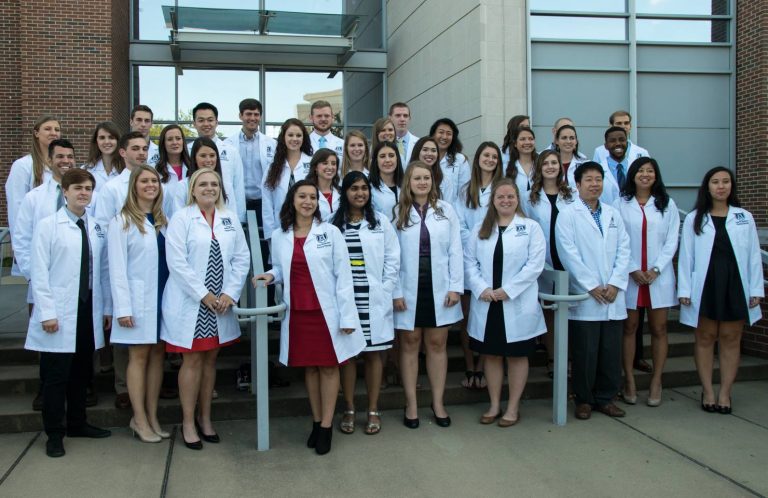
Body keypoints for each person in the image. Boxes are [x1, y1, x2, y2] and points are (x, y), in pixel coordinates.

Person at [253, 180, 364, 455]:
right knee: (310, 369)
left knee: (328, 368)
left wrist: (348, 317)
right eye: (302, 196)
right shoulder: (280, 235)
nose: (307, 202)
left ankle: (326, 426)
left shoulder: (331, 232)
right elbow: (280, 268)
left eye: (312, 197)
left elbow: (344, 276)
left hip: (326, 313)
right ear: (292, 200)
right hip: (299, 312)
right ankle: (316, 421)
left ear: (318, 202)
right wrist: (270, 276)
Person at [26, 168, 112, 457]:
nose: (83, 193)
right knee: (56, 376)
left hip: (88, 308)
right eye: (77, 188)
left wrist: (107, 308)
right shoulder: (48, 226)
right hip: (60, 311)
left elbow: (102, 271)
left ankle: (78, 423)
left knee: (82, 372)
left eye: (88, 188)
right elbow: (39, 272)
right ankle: (54, 433)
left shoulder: (96, 227)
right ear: (65, 191)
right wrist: (47, 312)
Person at [162, 169, 250, 449]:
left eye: (214, 184)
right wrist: (204, 295)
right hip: (192, 302)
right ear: (192, 189)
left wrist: (230, 293)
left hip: (220, 304)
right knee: (192, 361)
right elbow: (176, 262)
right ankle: (188, 422)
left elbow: (242, 258)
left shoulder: (229, 218)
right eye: (203, 184)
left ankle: (205, 418)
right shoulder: (181, 218)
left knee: (211, 360)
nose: (209, 188)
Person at [678, 167, 763, 414]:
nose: (721, 186)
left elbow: (754, 256)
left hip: (735, 283)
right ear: (707, 187)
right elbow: (686, 257)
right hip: (705, 283)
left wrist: (756, 289)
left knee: (730, 338)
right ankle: (708, 391)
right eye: (715, 182)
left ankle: (725, 392)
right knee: (705, 337)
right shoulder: (695, 218)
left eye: (726, 181)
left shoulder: (744, 217)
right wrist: (684, 289)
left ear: (731, 187)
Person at [464, 178, 546, 426]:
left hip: (516, 302)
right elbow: (469, 262)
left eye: (510, 196)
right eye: (500, 197)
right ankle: (494, 404)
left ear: (517, 199)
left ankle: (512, 407)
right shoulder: (480, 228)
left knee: (517, 356)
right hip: (488, 302)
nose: (506, 200)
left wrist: (508, 291)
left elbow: (535, 265)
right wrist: (482, 288)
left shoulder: (530, 228)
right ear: (493, 200)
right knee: (491, 355)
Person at [555, 161, 631, 420]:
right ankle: (584, 400)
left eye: (598, 179)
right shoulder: (568, 214)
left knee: (610, 352)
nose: (594, 184)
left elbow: (624, 249)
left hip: (612, 294)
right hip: (586, 295)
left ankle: (606, 398)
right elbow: (568, 253)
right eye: (588, 180)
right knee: (585, 352)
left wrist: (616, 283)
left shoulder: (612, 214)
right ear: (577, 184)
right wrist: (591, 285)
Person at [393, 162, 463, 428]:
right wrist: (396, 291)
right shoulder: (397, 212)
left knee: (436, 344)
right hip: (409, 288)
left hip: (440, 287)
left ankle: (438, 403)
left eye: (426, 178)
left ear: (433, 181)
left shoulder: (446, 210)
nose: (422, 182)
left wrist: (455, 286)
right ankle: (411, 404)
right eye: (417, 178)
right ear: (408, 182)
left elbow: (456, 250)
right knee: (410, 344)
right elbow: (391, 256)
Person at [332, 172, 400, 435]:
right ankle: (349, 408)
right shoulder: (333, 224)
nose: (360, 193)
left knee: (373, 354)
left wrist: (385, 288)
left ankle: (373, 409)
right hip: (346, 300)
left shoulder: (380, 222)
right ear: (345, 193)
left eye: (364, 188)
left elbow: (393, 258)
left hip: (373, 298)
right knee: (349, 356)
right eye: (354, 188)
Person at [108, 165, 171, 442]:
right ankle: (139, 419)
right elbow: (117, 269)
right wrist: (123, 308)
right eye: (144, 181)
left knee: (158, 355)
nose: (150, 185)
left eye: (154, 181)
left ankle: (152, 415)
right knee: (139, 356)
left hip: (162, 297)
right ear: (134, 186)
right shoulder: (122, 221)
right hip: (137, 300)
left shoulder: (163, 221)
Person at [615, 158, 679, 407]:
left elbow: (672, 241)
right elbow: (618, 238)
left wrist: (656, 269)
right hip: (630, 276)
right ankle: (629, 380)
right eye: (640, 170)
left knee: (659, 329)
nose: (645, 174)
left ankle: (656, 381)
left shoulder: (667, 204)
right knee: (629, 327)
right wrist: (632, 268)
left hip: (657, 277)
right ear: (632, 175)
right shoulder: (621, 203)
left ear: (656, 175)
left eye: (650, 171)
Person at [522, 150, 576, 377]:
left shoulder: (572, 195)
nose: (551, 166)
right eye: (546, 163)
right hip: (543, 263)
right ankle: (554, 359)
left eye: (555, 162)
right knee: (550, 313)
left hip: (569, 261)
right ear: (539, 168)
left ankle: (570, 358)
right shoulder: (529, 197)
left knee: (570, 312)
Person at [455, 142, 503, 389]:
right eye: (486, 155)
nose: (490, 159)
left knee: (487, 315)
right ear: (478, 158)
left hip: (494, 257)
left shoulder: (502, 188)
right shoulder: (466, 190)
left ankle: (483, 365)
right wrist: (476, 240)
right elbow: (459, 224)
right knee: (467, 317)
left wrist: (486, 241)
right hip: (468, 257)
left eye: (494, 156)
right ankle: (469, 365)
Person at [6, 115, 61, 243]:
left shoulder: (61, 166)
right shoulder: (22, 165)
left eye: (57, 129)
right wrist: (19, 245)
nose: (53, 133)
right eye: (47, 129)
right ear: (36, 133)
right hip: (33, 239)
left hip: (58, 239)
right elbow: (16, 207)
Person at [191, 102, 246, 222]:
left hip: (226, 213)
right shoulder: (188, 150)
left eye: (210, 120)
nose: (206, 124)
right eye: (201, 120)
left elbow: (238, 188)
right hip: (194, 215)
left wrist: (240, 220)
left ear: (216, 122)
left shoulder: (231, 151)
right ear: (194, 124)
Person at [262, 118, 313, 240]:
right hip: (280, 228)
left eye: (298, 135)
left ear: (304, 138)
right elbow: (267, 202)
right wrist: (270, 234)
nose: (294, 139)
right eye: (290, 135)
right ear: (283, 137)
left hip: (309, 228)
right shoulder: (273, 167)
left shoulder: (312, 164)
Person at [224, 98, 277, 217]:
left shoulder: (272, 145)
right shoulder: (227, 144)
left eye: (256, 114)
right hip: (236, 201)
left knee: (263, 229)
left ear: (260, 117)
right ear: (240, 116)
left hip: (262, 203)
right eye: (248, 114)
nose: (252, 118)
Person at [94, 131, 149, 228]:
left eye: (145, 149)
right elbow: (103, 225)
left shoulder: (157, 186)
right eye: (135, 149)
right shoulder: (111, 188)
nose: (142, 153)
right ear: (123, 153)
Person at [172, 138, 236, 218]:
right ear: (194, 158)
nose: (208, 160)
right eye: (203, 156)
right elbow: (178, 217)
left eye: (212, 155)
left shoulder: (227, 186)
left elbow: (232, 217)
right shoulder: (183, 186)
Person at [430, 118, 470, 205]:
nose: (444, 137)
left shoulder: (460, 160)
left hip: (452, 211)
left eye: (449, 134)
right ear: (433, 135)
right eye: (441, 132)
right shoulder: (425, 157)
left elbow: (464, 193)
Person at [595, 126, 634, 205]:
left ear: (627, 143)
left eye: (622, 140)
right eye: (612, 141)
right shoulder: (598, 170)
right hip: (607, 211)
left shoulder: (636, 168)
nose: (618, 143)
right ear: (606, 146)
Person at [368, 141, 404, 221]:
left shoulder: (407, 185)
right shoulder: (369, 188)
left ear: (397, 158)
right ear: (376, 160)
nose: (387, 160)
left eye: (391, 156)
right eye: (382, 156)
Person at [83, 121, 122, 191]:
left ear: (118, 141)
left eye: (111, 137)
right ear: (96, 141)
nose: (106, 142)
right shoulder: (85, 170)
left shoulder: (126, 170)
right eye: (102, 138)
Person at [306, 149, 341, 219]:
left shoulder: (341, 192)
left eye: (333, 164)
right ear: (315, 167)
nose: (330, 167)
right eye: (325, 163)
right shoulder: (306, 191)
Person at [505, 126, 538, 194]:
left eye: (530, 139)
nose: (527, 142)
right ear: (515, 143)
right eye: (522, 139)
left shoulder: (542, 164)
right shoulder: (506, 167)